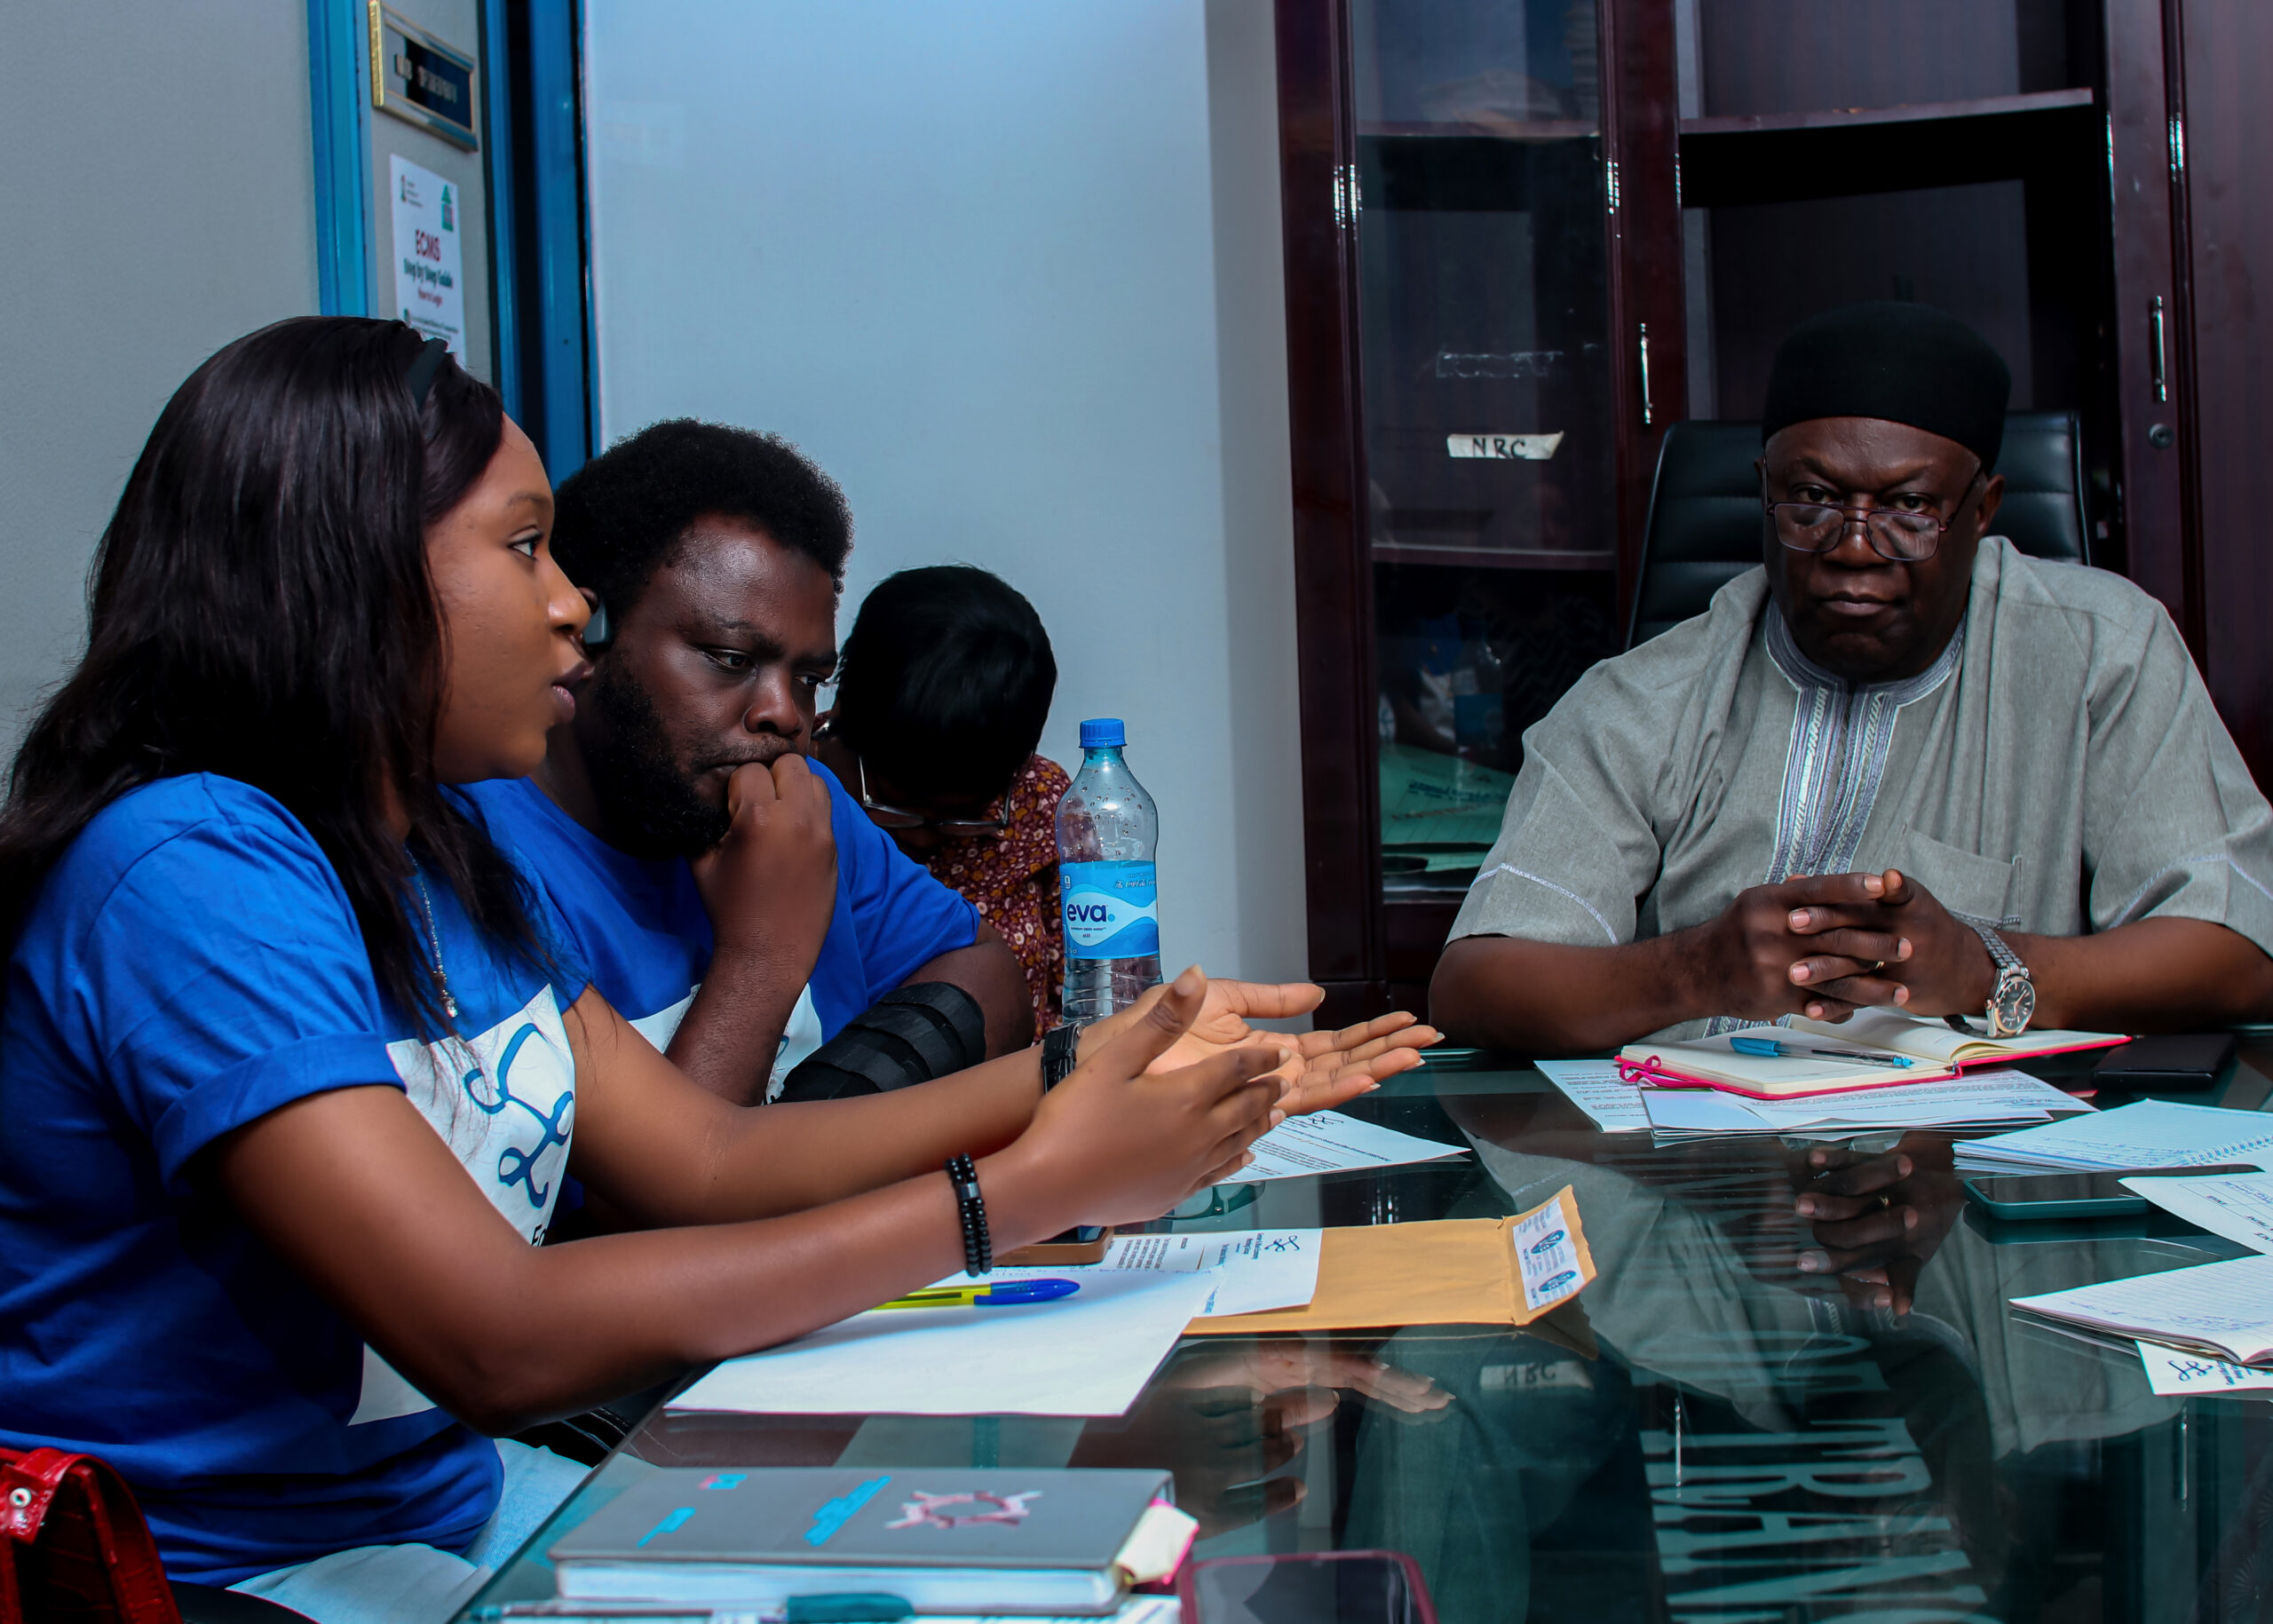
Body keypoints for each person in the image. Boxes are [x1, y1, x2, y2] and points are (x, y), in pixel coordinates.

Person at [0, 318, 1432, 1623]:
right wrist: (1022, 1190)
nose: (572, 606)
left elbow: (703, 1157)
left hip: (448, 1514)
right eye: (525, 549)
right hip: (215, 1573)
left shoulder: (429, 848)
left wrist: (1086, 1066)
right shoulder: (192, 869)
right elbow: (496, 1336)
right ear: (352, 570)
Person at [1431, 301, 2273, 1053]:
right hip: (1690, 1162)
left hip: (1979, 1155)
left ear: (1982, 510)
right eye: (1813, 498)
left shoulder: (2102, 653)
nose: (1857, 548)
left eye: (1910, 508)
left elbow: (2239, 952)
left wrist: (1984, 968)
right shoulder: (1645, 697)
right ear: (1763, 492)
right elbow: (1474, 985)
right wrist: (1696, 970)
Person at [465, 420, 1034, 1109]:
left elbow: (987, 976)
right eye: (732, 660)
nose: (785, 714)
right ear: (588, 634)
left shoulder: (796, 804)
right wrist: (762, 958)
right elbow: (651, 1181)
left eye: (808, 678)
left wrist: (821, 1118)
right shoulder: (475, 859)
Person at [814, 565, 1072, 1032]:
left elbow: (1080, 997)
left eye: (965, 816)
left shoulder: (1040, 805)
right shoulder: (786, 798)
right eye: (895, 805)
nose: (925, 839)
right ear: (844, 714)